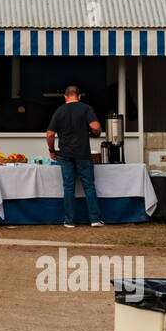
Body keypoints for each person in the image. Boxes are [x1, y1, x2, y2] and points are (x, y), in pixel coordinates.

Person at [45, 86, 103, 228]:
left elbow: (50, 134)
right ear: (79, 96)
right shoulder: (86, 108)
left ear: (65, 97)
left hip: (65, 155)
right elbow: (96, 128)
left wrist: (52, 150)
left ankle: (69, 221)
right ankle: (95, 219)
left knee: (68, 187)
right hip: (83, 153)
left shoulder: (59, 111)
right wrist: (95, 134)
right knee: (89, 186)